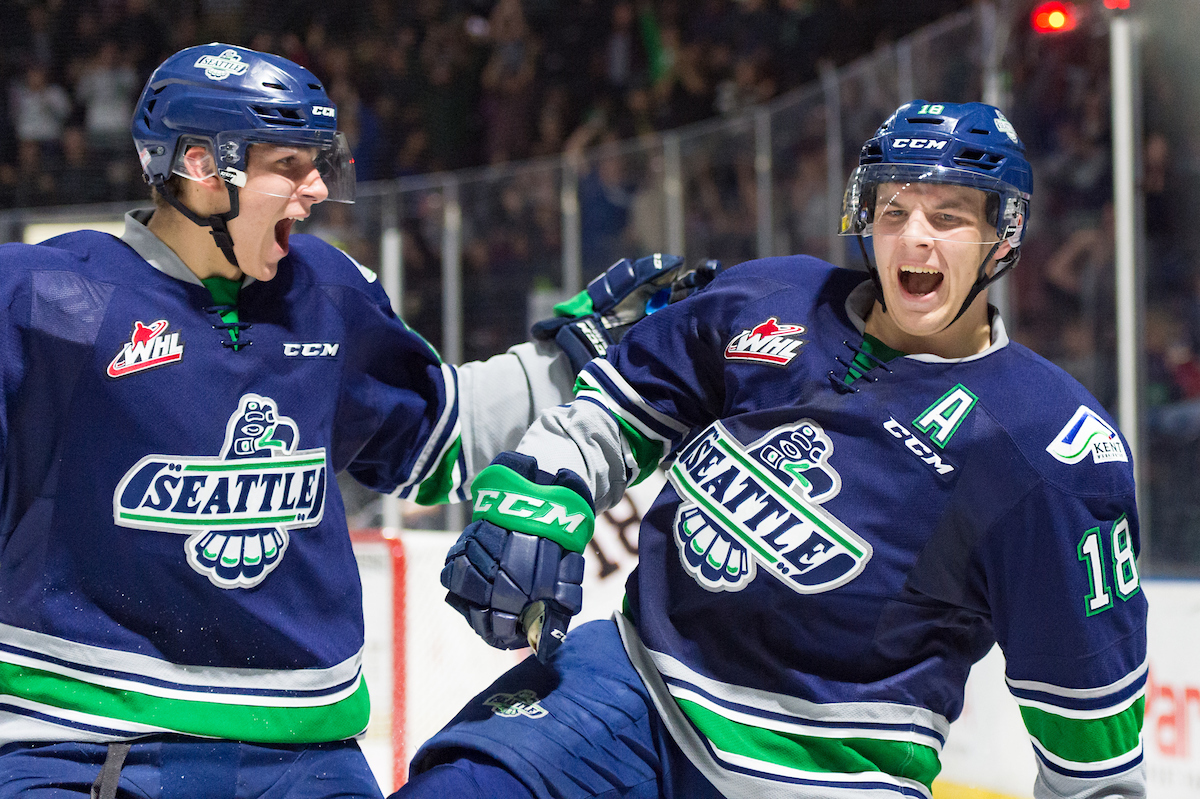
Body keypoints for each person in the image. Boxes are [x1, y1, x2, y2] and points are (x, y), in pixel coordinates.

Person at [0, 43, 703, 799]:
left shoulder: (326, 291)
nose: (312, 192)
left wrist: (563, 366)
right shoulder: (49, 299)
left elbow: (440, 440)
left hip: (304, 754)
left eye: (317, 165)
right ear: (201, 165)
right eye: (288, 167)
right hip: (81, 740)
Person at [404, 101, 1148, 799]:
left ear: (1003, 234)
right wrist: (550, 484)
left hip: (829, 771)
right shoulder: (774, 298)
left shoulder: (1048, 444)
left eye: (949, 216)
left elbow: (1093, 751)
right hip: (628, 686)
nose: (915, 236)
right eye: (894, 211)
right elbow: (620, 403)